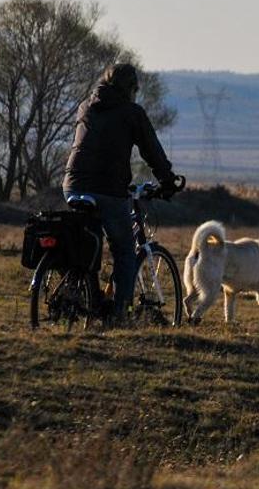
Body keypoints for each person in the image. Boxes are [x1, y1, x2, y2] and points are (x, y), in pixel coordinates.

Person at [62, 63, 179, 323]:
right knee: (125, 250)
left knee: (88, 243)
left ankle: (90, 295)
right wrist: (167, 180)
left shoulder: (86, 106)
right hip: (108, 190)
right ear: (130, 89)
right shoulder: (131, 112)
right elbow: (151, 151)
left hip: (73, 185)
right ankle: (118, 315)